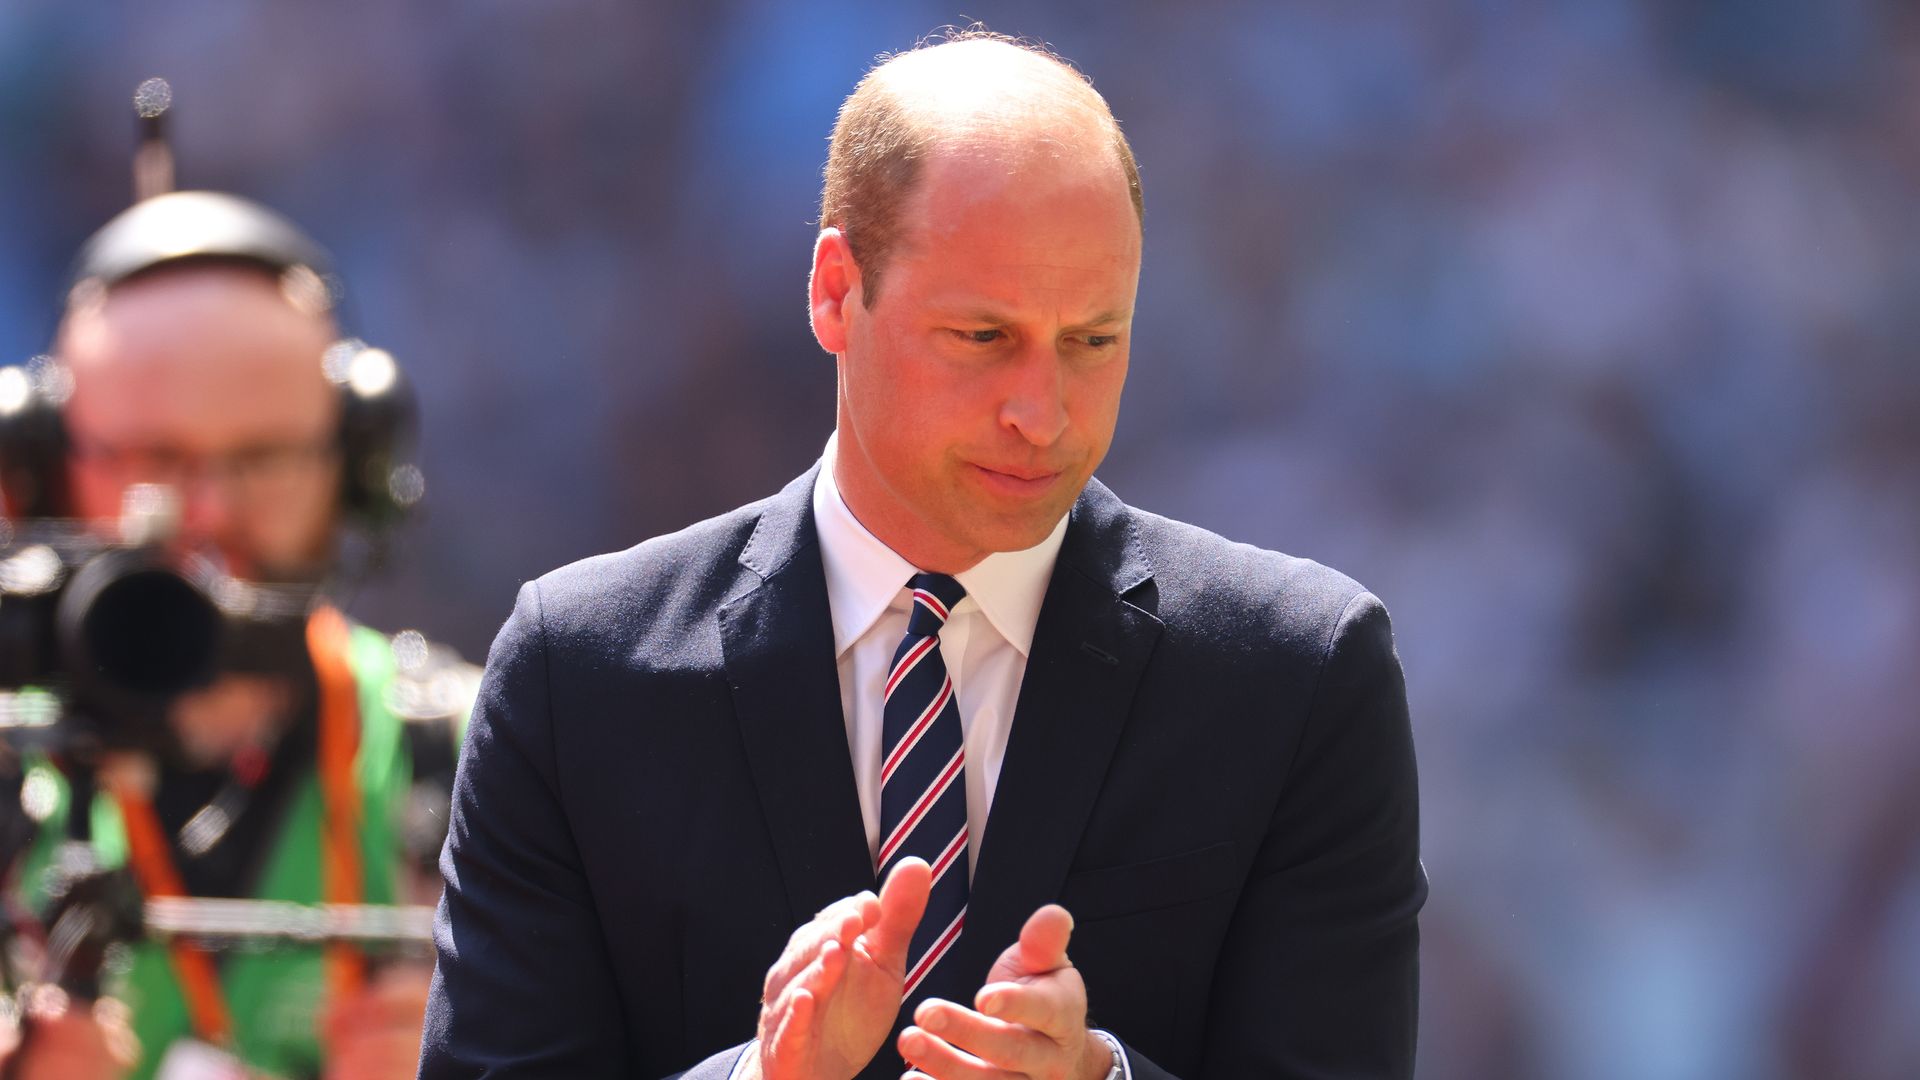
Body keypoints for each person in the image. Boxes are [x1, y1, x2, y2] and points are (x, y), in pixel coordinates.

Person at [421, 29, 1425, 1080]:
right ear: (833, 293)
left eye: (1094, 340)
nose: (1043, 413)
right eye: (982, 337)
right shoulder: (576, 674)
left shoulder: (1299, 674)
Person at [0, 186, 475, 1079]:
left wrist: (487, 1060)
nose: (211, 515)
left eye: (263, 458)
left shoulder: (483, 750)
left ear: (356, 466)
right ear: (42, 469)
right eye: (156, 459)